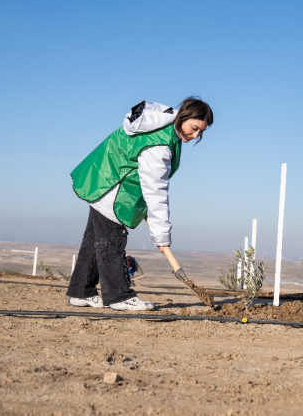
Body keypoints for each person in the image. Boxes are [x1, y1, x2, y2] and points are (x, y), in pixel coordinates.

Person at [66, 97, 213, 311]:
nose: (195, 135)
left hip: (102, 179)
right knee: (111, 241)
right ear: (184, 116)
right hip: (112, 186)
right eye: (194, 128)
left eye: (201, 132)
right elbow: (156, 190)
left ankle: (81, 292)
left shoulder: (163, 127)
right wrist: (162, 235)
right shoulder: (160, 143)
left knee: (94, 242)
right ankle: (118, 296)